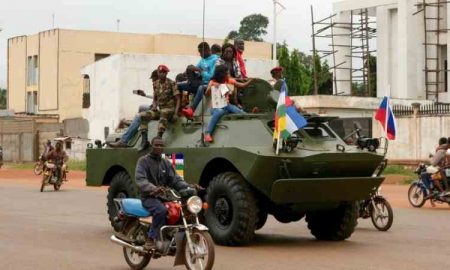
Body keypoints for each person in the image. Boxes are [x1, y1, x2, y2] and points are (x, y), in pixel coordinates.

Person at [135, 137, 190, 250]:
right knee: (161, 210)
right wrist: (153, 188)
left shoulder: (165, 163)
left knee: (180, 210)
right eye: (157, 145)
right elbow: (141, 180)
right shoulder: (143, 161)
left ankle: (169, 235)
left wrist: (188, 187)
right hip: (148, 197)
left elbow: (175, 179)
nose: (159, 147)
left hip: (164, 197)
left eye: (161, 145)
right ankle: (150, 239)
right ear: (151, 146)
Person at [109, 65, 180, 151]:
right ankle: (144, 141)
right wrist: (154, 105)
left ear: (166, 73)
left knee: (164, 112)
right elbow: (155, 98)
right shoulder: (156, 84)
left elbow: (178, 99)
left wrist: (176, 113)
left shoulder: (172, 83)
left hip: (169, 109)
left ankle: (158, 138)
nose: (162, 74)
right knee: (142, 115)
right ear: (158, 73)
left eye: (164, 73)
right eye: (160, 72)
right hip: (160, 109)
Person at [204, 65, 252, 142]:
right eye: (227, 73)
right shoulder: (212, 82)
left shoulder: (229, 80)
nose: (228, 75)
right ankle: (207, 134)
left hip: (226, 105)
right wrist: (212, 86)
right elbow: (206, 93)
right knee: (219, 111)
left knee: (238, 111)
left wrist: (251, 81)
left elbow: (242, 85)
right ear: (221, 74)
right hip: (215, 107)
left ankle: (250, 115)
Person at [180, 42, 219, 119]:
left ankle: (191, 110)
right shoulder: (202, 60)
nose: (200, 54)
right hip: (198, 83)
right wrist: (187, 71)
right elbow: (196, 69)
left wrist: (200, 71)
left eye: (201, 52)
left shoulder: (216, 60)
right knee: (177, 85)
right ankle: (180, 107)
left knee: (201, 88)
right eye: (199, 52)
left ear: (208, 50)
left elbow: (211, 77)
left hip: (210, 84)